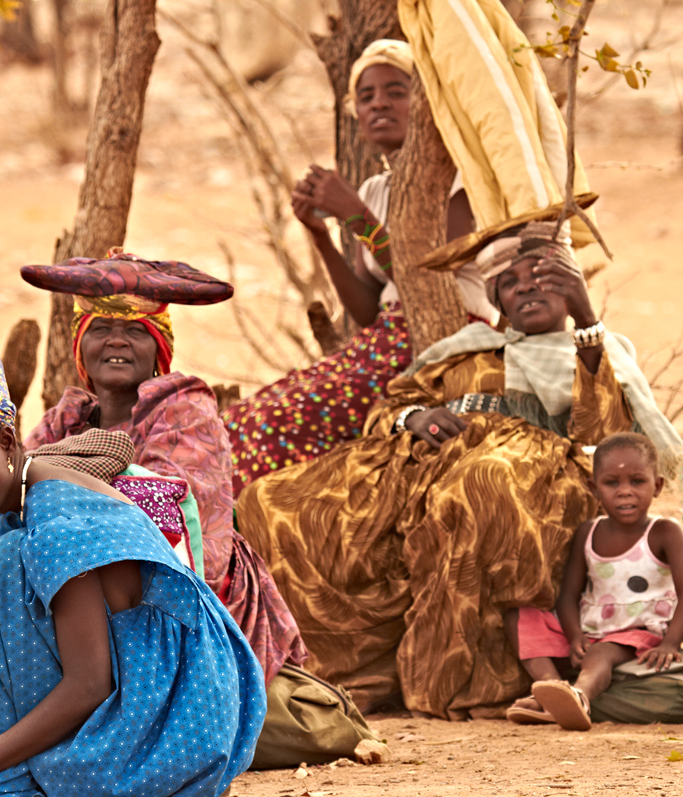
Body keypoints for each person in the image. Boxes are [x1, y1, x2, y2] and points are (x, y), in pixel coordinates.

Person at [234, 211, 683, 720]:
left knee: (479, 483)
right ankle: (310, 670)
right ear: (497, 302)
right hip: (416, 462)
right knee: (270, 501)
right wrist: (416, 416)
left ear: (570, 287)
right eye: (509, 284)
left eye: (542, 279)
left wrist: (585, 321)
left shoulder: (599, 349)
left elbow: (599, 436)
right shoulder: (463, 350)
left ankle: (452, 681)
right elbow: (389, 405)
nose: (526, 289)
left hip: (528, 466)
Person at [0, 345, 266, 797]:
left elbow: (90, 683)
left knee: (6, 561)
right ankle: (15, 767)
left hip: (173, 719)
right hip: (133, 697)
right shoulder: (20, 496)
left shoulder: (54, 523)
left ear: (5, 440)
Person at [222, 38, 498, 496]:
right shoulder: (375, 189)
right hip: (383, 337)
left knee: (277, 423)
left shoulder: (459, 180)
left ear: (427, 104)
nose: (379, 104)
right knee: (242, 419)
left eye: (396, 90)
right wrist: (319, 233)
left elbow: (429, 283)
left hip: (442, 340)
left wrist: (355, 216)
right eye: (366, 96)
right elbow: (368, 308)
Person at [23, 254, 308, 686]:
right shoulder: (67, 420)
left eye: (136, 331)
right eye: (100, 329)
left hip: (186, 600)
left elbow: (167, 526)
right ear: (81, 345)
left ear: (160, 348)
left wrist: (52, 477)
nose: (116, 341)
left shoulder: (185, 410)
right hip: (81, 587)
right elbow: (15, 486)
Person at [504, 432, 683, 731]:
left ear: (658, 485)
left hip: (641, 631)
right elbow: (568, 596)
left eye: (637, 481)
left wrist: (670, 643)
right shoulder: (588, 532)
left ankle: (581, 696)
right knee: (519, 617)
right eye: (612, 483)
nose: (625, 492)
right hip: (592, 628)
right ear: (593, 488)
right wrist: (574, 636)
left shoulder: (664, 532)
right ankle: (552, 689)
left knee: (602, 652)